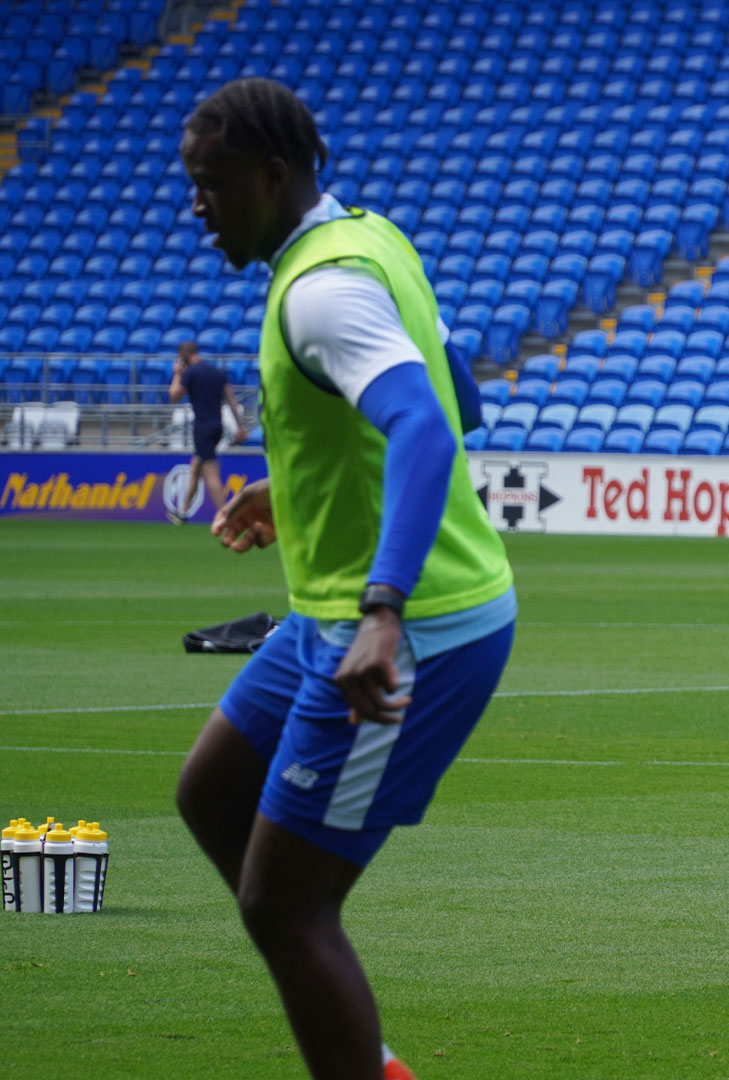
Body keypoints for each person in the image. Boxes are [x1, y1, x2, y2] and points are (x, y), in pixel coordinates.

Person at [171, 79, 517, 1080]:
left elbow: (422, 422)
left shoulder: (322, 290)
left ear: (274, 176)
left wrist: (383, 609)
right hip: (330, 619)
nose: (199, 206)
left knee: (284, 904)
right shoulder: (366, 238)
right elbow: (462, 394)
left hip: (414, 631)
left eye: (214, 185)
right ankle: (364, 1052)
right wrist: (296, 486)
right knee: (211, 794)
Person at [167, 340, 248, 524]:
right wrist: (240, 426)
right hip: (217, 426)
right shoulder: (217, 372)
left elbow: (173, 396)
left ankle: (225, 515)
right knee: (196, 465)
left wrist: (176, 375)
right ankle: (183, 512)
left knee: (211, 473)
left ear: (185, 357)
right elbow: (232, 401)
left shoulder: (191, 373)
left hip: (202, 428)